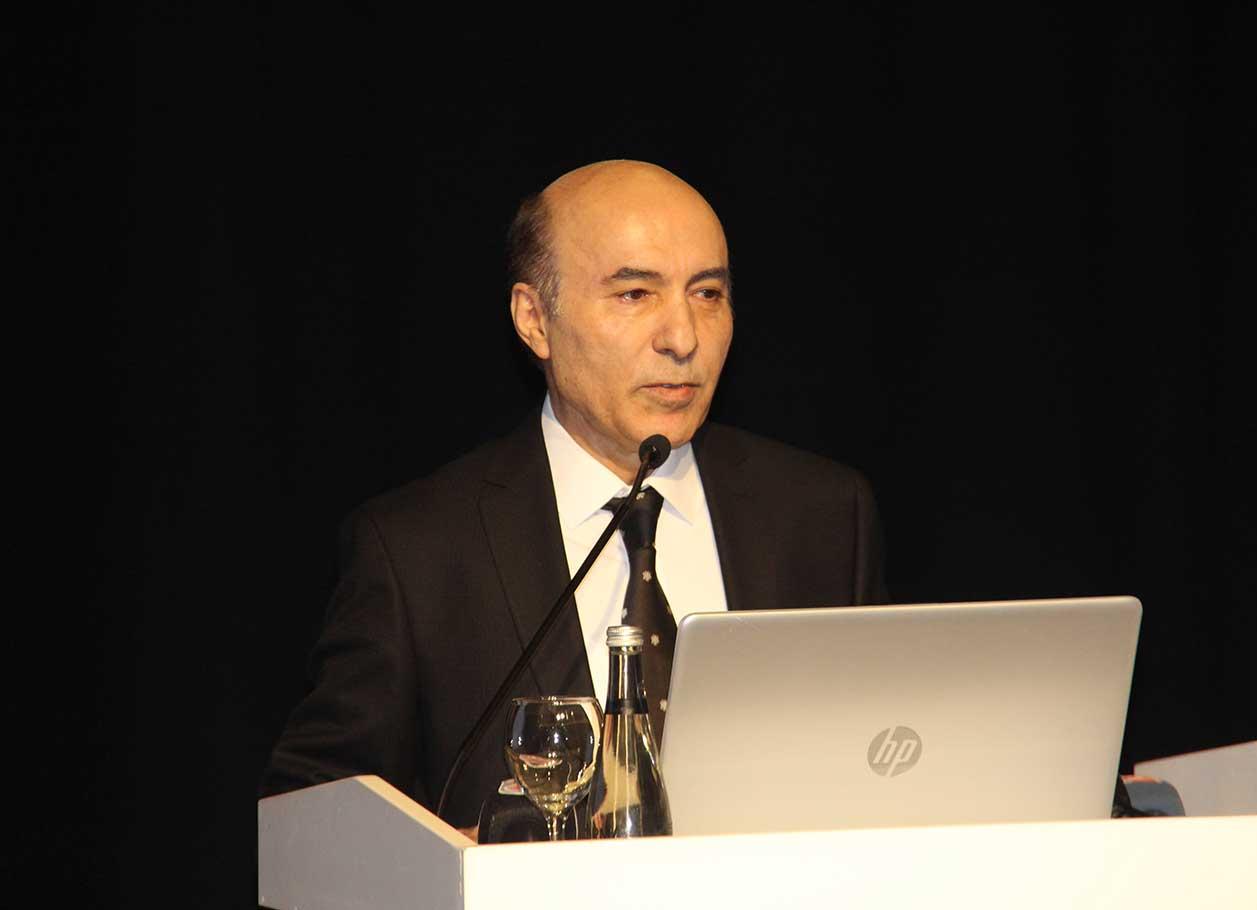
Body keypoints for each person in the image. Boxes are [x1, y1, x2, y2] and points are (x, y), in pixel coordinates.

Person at [260, 161, 887, 828]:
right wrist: (467, 861)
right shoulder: (418, 550)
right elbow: (308, 818)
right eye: (635, 294)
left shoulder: (822, 517)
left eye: (707, 293)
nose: (683, 338)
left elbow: (891, 763)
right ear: (534, 319)